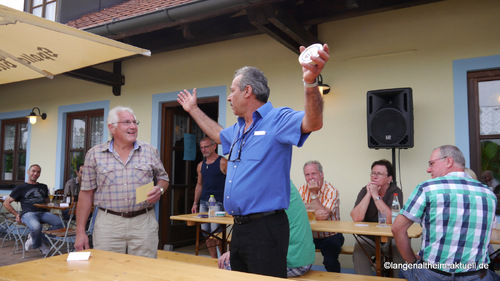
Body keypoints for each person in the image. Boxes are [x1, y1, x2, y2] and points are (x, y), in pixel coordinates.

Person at [177, 44, 329, 277]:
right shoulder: (238, 130)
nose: (228, 97)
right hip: (239, 228)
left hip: (267, 229)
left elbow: (313, 122)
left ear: (247, 91)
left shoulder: (277, 119)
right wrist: (193, 110)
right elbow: (218, 134)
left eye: (232, 90)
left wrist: (310, 83)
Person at [392, 145, 499, 280]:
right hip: (475, 275)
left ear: (449, 161)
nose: (428, 169)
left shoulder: (427, 188)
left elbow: (397, 228)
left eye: (431, 164)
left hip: (433, 274)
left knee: (403, 271)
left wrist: (413, 262)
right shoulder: (489, 194)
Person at [74, 106, 169, 258]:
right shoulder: (95, 154)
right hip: (108, 223)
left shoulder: (150, 151)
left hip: (143, 223)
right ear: (112, 127)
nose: (133, 126)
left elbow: (164, 179)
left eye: (134, 122)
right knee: (107, 270)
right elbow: (86, 194)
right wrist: (80, 232)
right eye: (126, 122)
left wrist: (160, 189)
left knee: (143, 271)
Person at [218, 181, 315, 277]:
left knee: (227, 267)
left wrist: (236, 252)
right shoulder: (281, 181)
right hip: (302, 257)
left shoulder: (266, 185)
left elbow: (258, 229)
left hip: (293, 261)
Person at [350, 159, 404, 276]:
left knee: (398, 245)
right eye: (373, 173)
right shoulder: (365, 190)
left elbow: (391, 219)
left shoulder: (395, 191)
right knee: (359, 247)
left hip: (390, 238)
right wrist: (369, 194)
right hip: (369, 239)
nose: (374, 177)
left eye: (379, 174)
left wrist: (375, 195)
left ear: (389, 178)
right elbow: (356, 217)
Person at [2, 164, 64, 255]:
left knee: (61, 224)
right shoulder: (21, 187)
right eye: (33, 171)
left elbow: (47, 202)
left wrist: (48, 212)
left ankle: (36, 238)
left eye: (38, 172)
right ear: (28, 172)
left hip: (43, 213)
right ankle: (39, 244)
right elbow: (6, 202)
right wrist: (16, 214)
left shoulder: (43, 186)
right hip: (28, 213)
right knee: (36, 227)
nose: (35, 173)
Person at [298, 160, 344, 272]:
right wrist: (316, 209)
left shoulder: (331, 190)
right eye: (307, 175)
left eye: (314, 173)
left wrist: (313, 195)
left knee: (330, 261)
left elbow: (323, 217)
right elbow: (298, 212)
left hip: (330, 235)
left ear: (321, 174)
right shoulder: (302, 189)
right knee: (296, 257)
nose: (310, 178)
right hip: (309, 235)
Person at [191, 137, 227, 258]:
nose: (203, 150)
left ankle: (223, 259)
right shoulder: (201, 165)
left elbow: (231, 183)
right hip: (204, 202)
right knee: (205, 232)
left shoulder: (223, 162)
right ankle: (213, 259)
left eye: (206, 146)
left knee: (217, 232)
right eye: (201, 147)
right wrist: (195, 203)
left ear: (214, 146)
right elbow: (199, 184)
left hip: (218, 202)